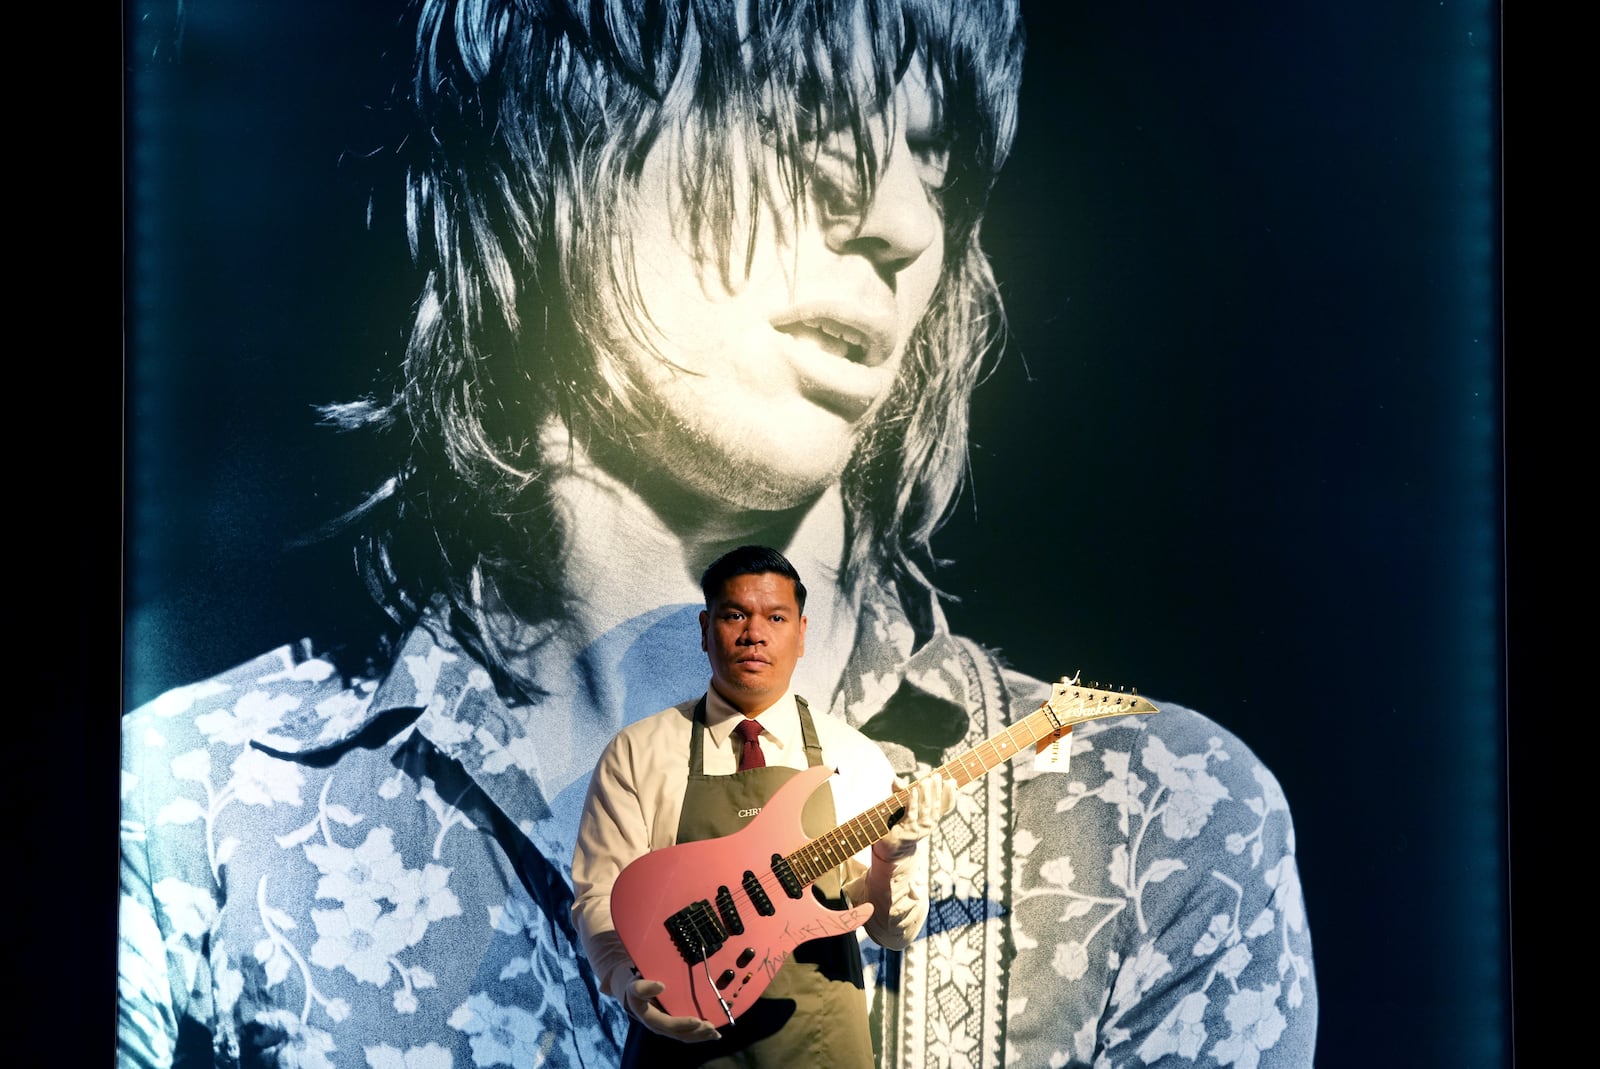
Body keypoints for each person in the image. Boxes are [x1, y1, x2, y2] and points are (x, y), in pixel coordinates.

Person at [119, 1, 1318, 1067]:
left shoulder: (1156, 819)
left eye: (938, 166)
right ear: (554, 142)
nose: (900, 222)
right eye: (814, 120)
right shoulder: (205, 811)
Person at [571, 545, 956, 1066]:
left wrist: (893, 857)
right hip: (681, 1044)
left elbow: (891, 931)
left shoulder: (855, 757)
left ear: (800, 633)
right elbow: (600, 895)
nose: (755, 633)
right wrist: (624, 983)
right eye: (735, 615)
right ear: (705, 629)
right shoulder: (638, 752)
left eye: (776, 617)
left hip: (819, 1046)